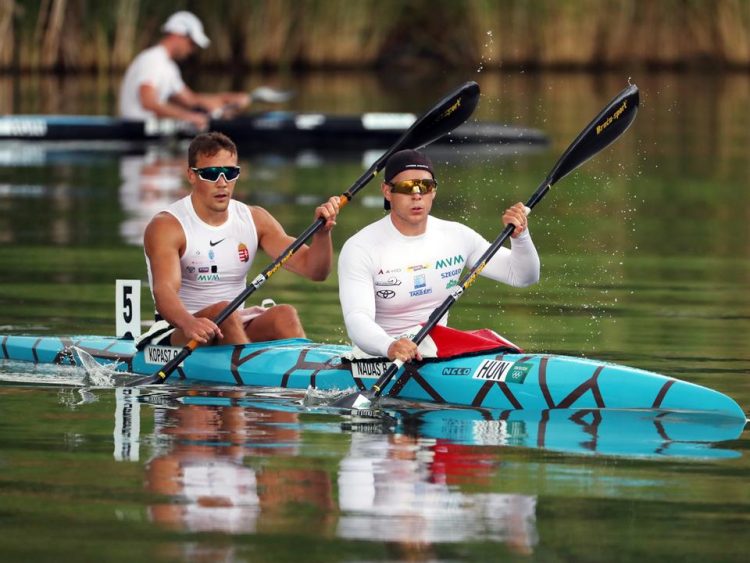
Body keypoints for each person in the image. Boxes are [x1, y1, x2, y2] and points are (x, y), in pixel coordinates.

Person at [140, 131, 340, 348]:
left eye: (230, 172)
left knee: (285, 314)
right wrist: (190, 323)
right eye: (212, 173)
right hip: (179, 331)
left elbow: (315, 271)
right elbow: (164, 291)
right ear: (191, 175)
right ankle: (249, 372)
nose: (222, 182)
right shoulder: (167, 226)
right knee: (222, 311)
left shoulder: (255, 219)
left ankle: (304, 372)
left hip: (233, 322)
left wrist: (322, 234)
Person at [338, 149, 540, 362]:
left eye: (425, 186)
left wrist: (521, 237)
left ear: (434, 191)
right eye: (407, 188)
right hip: (380, 354)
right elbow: (357, 318)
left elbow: (523, 276)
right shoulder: (360, 248)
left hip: (435, 350)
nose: (417, 195)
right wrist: (389, 346)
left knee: (495, 341)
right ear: (387, 192)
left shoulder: (457, 236)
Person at [119, 11, 250, 129]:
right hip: (136, 130)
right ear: (178, 35)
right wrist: (188, 117)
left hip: (153, 129)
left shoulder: (169, 67)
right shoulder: (152, 60)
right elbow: (148, 102)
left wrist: (229, 99)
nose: (192, 50)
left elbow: (191, 100)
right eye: (192, 43)